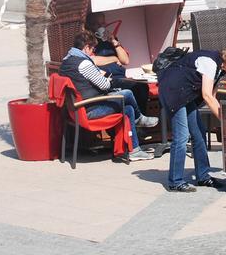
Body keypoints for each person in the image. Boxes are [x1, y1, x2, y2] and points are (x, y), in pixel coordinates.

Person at [158, 43, 226, 191]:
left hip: (185, 94)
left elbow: (213, 95)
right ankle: (175, 181)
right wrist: (225, 120)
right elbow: (206, 95)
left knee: (199, 133)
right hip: (173, 92)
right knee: (181, 137)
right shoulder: (210, 62)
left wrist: (224, 117)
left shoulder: (221, 68)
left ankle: (203, 176)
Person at [58, 31, 158, 161]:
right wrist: (108, 80)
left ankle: (134, 150)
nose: (93, 51)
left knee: (128, 109)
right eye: (92, 48)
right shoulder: (84, 63)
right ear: (86, 47)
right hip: (89, 110)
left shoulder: (66, 61)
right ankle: (139, 119)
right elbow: (104, 85)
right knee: (127, 94)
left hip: (75, 110)